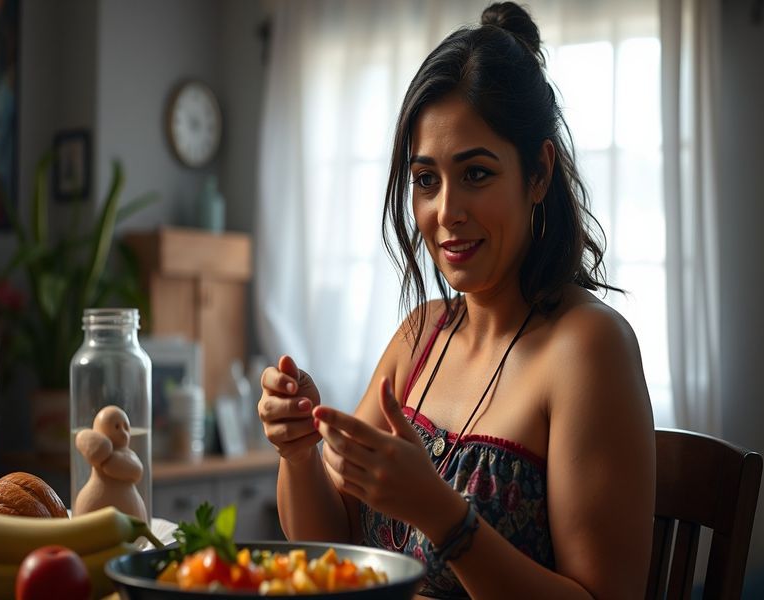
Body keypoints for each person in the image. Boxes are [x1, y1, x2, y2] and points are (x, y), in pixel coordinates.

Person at [258, 2, 655, 598]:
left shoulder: (587, 348)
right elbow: (331, 544)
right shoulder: (420, 337)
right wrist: (298, 451)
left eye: (476, 174)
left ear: (539, 173)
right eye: (426, 180)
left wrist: (445, 517)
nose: (446, 213)